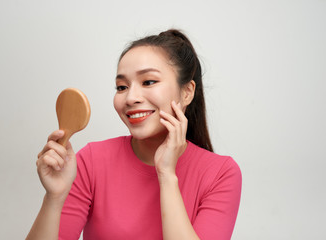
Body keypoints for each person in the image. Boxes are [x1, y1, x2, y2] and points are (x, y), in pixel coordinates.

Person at [26, 29, 242, 240]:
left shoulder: (221, 174)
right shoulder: (92, 160)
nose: (130, 98)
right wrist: (54, 198)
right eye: (121, 87)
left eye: (148, 82)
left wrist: (166, 175)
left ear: (187, 92)